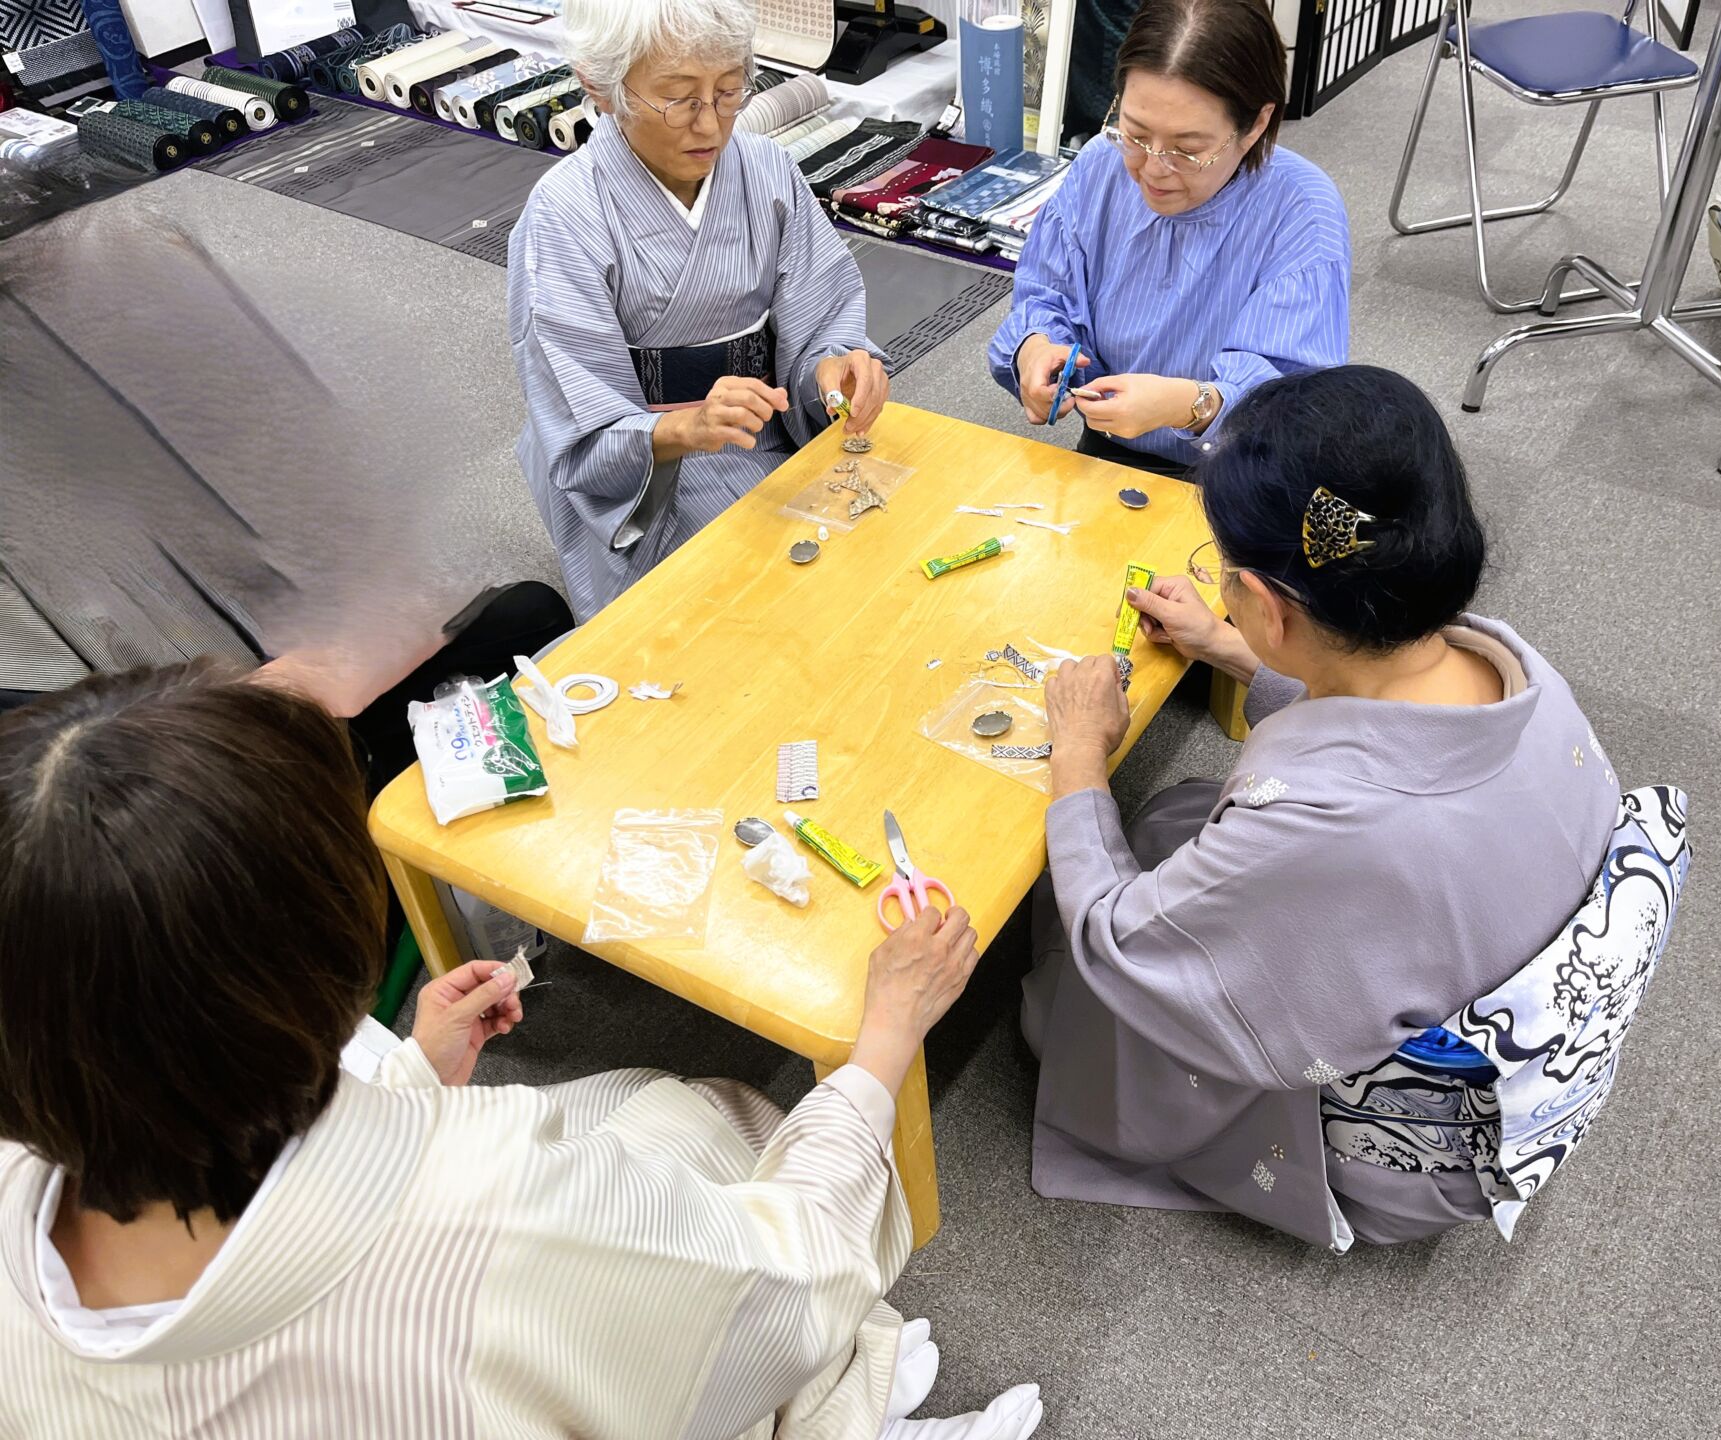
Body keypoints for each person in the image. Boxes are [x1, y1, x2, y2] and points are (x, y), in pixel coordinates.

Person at [0, 665, 1043, 1440]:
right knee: (726, 1131)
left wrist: (407, 1071)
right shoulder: (488, 1209)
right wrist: (885, 1040)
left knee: (652, 1115)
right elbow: (783, 1281)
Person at [1022, 367, 1621, 1248]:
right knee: (1178, 823)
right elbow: (1373, 708)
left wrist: (1078, 749)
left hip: (1405, 1144)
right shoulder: (1507, 664)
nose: (1220, 590)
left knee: (1096, 970)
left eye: (1224, 579)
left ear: (1269, 602)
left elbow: (1126, 945)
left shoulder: (1326, 821)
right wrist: (1228, 648)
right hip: (1483, 945)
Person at [509, 0, 890, 620]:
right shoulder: (565, 214)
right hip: (648, 474)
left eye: (730, 91)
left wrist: (832, 371)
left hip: (771, 440)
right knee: (721, 627)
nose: (710, 126)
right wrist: (685, 428)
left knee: (873, 579)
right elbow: (579, 427)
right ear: (600, 86)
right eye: (679, 98)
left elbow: (823, 320)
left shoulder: (766, 171)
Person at [986, 0, 1349, 477]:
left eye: (1188, 149)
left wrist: (1189, 405)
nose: (1154, 169)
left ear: (1256, 124)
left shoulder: (1301, 210)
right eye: (1136, 133)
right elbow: (1045, 296)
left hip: (1241, 475)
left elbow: (1292, 406)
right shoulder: (1101, 164)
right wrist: (1035, 348)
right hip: (1111, 450)